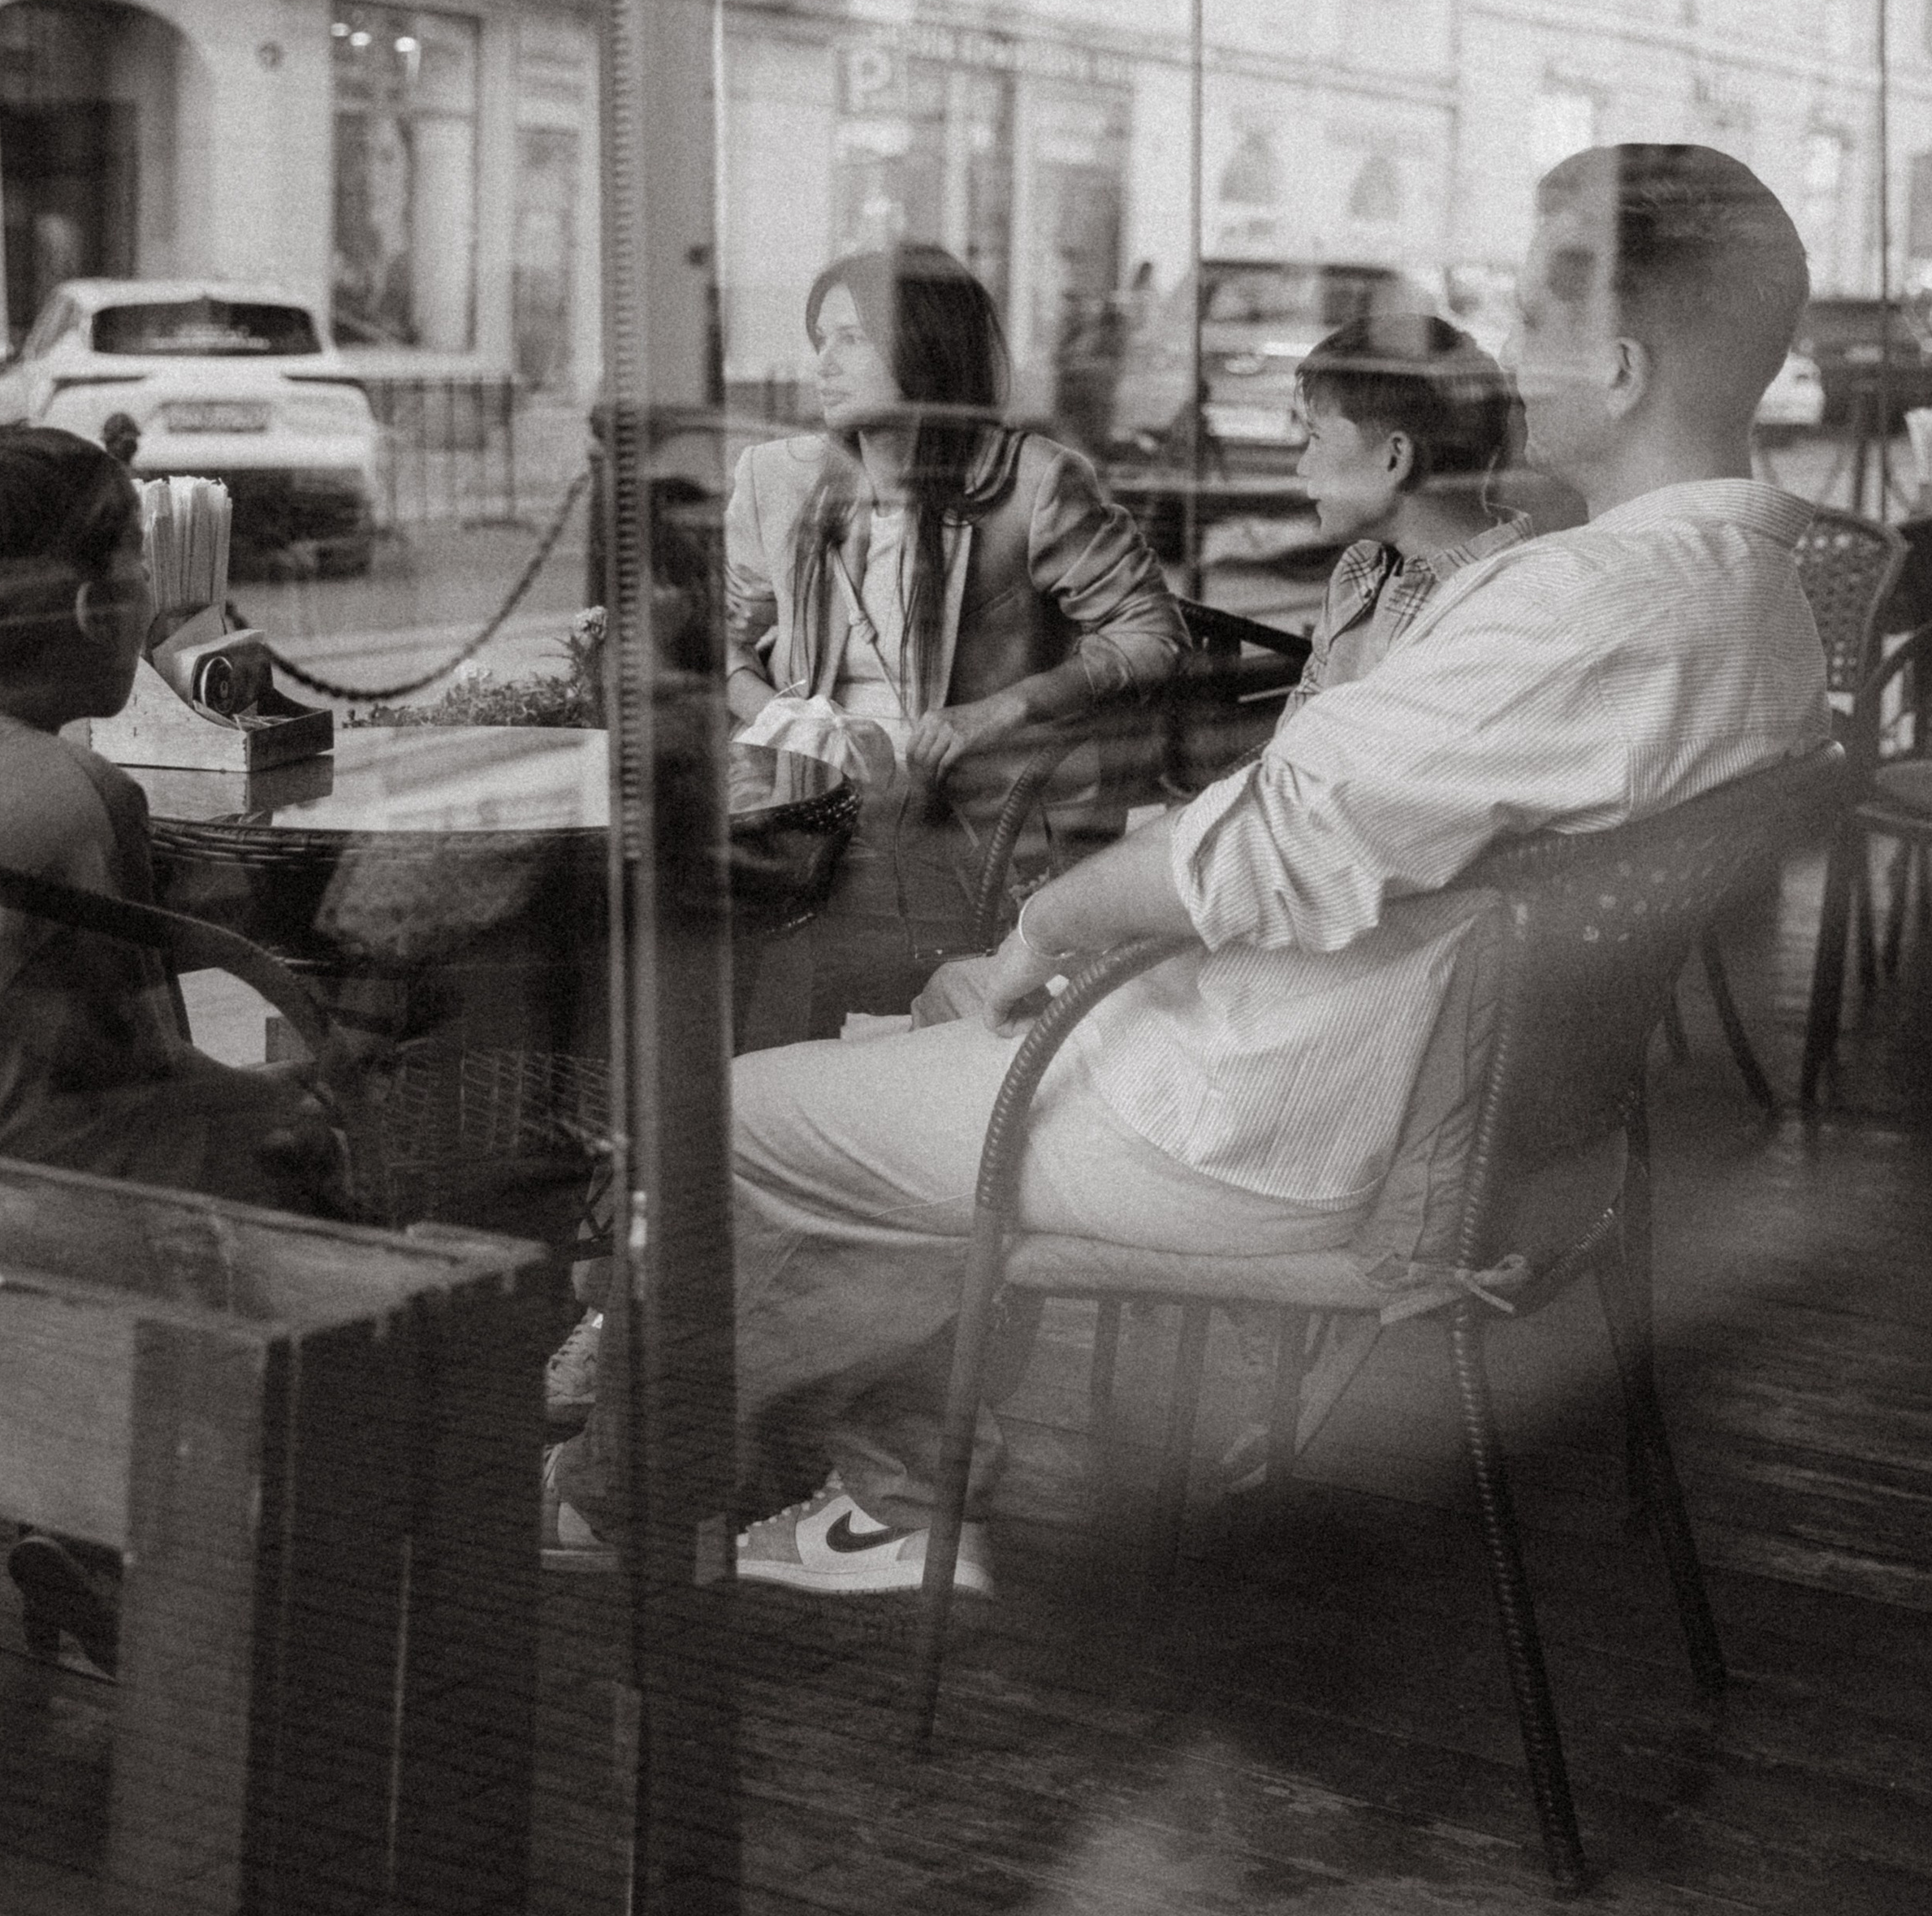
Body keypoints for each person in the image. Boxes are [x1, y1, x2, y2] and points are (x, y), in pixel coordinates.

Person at [726, 145, 1831, 1596]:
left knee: (732, 1117)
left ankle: (747, 1504)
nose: (1502, 351)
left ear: (1619, 370)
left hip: (1276, 1129)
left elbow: (1268, 848)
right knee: (917, 1060)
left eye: (1526, 313)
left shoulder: (1595, 599)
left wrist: (1047, 925)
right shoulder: (1759, 600)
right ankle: (894, 1479)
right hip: (1491, 1139)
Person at [0, 425, 336, 1667]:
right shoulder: (59, 795)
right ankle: (133, 1538)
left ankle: (86, 1522)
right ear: (96, 605)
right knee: (303, 1158)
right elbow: (119, 1072)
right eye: (144, 563)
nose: (158, 592)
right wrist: (304, 1097)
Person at [724, 242, 1186, 1036]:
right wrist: (790, 726)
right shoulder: (779, 480)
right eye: (819, 340)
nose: (822, 365)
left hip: (968, 812)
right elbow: (721, 641)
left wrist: (999, 711)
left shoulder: (1033, 483)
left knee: (750, 924)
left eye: (850, 339)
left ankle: (775, 1106)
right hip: (812, 793)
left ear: (925, 352)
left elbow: (1151, 636)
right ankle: (755, 1109)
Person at [1286, 311, 1528, 710]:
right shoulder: (1358, 569)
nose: (1303, 466)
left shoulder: (1506, 601)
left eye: (1317, 437)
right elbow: (1295, 739)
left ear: (1395, 459)